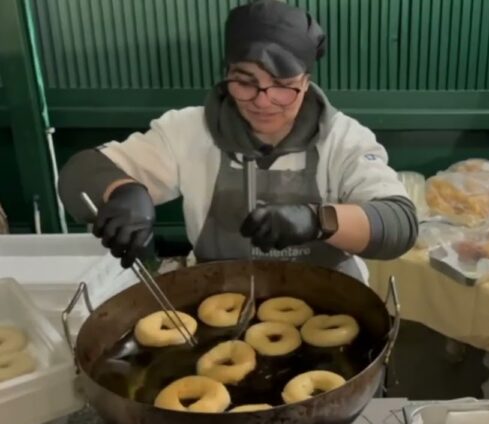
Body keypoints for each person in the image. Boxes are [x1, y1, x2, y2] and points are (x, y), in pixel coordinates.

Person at [58, 0, 418, 282]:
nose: (262, 100)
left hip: (332, 299)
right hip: (217, 294)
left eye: (282, 86)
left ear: (305, 82)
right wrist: (122, 191)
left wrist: (317, 220)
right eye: (245, 81)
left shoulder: (343, 139)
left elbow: (399, 224)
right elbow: (79, 174)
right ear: (226, 72)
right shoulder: (188, 130)